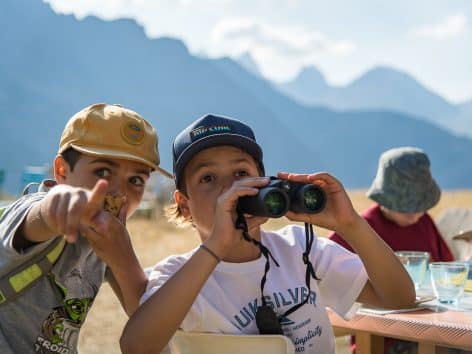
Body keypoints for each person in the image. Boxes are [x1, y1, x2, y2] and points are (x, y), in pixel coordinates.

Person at [120, 114, 415, 354]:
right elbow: (136, 346)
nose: (229, 189)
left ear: (264, 184)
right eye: (208, 178)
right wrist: (216, 247)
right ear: (184, 206)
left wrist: (351, 224)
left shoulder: (301, 249)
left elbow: (399, 298)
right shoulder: (178, 277)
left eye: (241, 174)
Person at [0, 103, 171, 354]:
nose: (117, 192)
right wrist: (60, 204)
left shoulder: (104, 239)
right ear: (62, 172)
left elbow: (151, 334)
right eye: (102, 171)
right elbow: (43, 214)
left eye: (135, 180)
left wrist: (122, 257)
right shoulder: (38, 210)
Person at [329, 146, 454, 354]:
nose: (416, 213)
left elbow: (445, 269)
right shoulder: (359, 228)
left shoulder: (424, 222)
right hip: (381, 340)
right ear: (384, 199)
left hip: (430, 329)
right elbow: (327, 278)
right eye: (407, 207)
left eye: (421, 206)